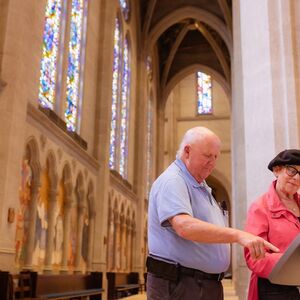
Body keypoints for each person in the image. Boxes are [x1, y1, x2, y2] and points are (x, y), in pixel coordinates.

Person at [147, 126, 279, 300]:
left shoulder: (201, 185)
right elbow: (184, 226)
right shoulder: (173, 180)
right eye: (207, 156)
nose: (213, 162)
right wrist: (238, 235)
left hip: (204, 284)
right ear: (187, 151)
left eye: (216, 157)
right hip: (180, 285)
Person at [244, 149, 300, 300]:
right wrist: (291, 266)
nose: (297, 178)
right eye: (292, 171)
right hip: (274, 290)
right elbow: (254, 257)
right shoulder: (260, 208)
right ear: (277, 170)